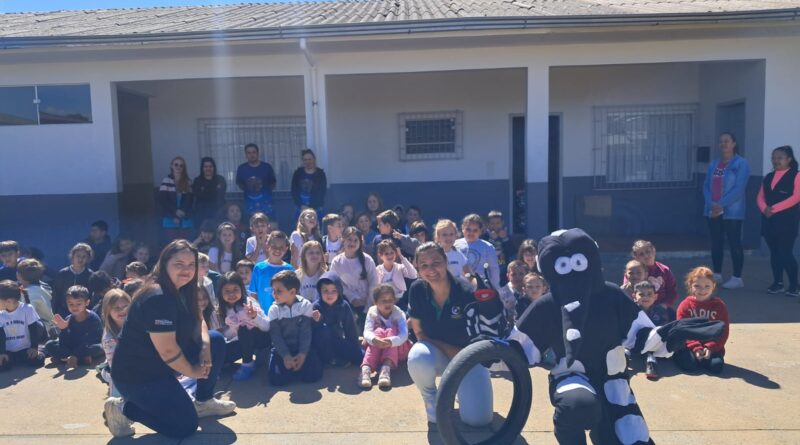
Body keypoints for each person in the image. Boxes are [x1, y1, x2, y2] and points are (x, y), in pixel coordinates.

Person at [105, 239, 235, 439]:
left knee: (215, 339)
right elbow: (168, 351)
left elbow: (199, 318)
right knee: (184, 427)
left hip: (162, 365)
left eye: (191, 264)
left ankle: (203, 401)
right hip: (138, 376)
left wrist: (205, 348)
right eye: (179, 264)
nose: (186, 270)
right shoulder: (158, 296)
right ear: (164, 263)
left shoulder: (187, 287)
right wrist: (193, 371)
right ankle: (124, 408)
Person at [406, 242, 493, 426]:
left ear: (445, 261)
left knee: (478, 420)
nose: (431, 269)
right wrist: (446, 348)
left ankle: (463, 392)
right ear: (418, 268)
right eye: (424, 265)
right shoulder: (417, 290)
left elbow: (479, 341)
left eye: (436, 262)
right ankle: (432, 398)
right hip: (440, 355)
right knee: (417, 357)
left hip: (469, 358)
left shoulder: (467, 291)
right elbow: (419, 332)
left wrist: (460, 356)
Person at [703, 132, 750, 289]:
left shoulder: (741, 163)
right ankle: (717, 275)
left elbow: (739, 188)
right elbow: (706, 185)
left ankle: (737, 278)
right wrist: (711, 204)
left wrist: (721, 204)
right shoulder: (714, 164)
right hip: (713, 210)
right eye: (721, 141)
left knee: (734, 243)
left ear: (734, 143)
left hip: (732, 211)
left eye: (727, 141)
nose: (723, 144)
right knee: (716, 243)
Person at [267, 270, 322, 386]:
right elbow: (276, 336)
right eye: (273, 290)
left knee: (313, 376)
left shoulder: (305, 305)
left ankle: (298, 367)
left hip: (300, 347)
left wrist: (302, 354)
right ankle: (291, 369)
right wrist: (285, 356)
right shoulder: (274, 309)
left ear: (292, 292)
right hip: (282, 350)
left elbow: (305, 333)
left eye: (279, 291)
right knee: (276, 380)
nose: (274, 294)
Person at [758, 145, 800, 297]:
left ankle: (795, 285)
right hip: (769, 222)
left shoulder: (796, 175)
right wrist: (764, 209)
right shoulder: (768, 177)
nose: (776, 160)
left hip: (787, 222)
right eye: (774, 158)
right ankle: (778, 283)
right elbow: (760, 197)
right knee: (775, 253)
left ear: (789, 159)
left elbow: (796, 197)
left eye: (780, 158)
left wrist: (773, 209)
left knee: (785, 253)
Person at [675, 267, 730, 374]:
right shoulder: (685, 305)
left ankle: (704, 360)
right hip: (689, 345)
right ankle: (680, 356)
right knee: (690, 365)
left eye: (707, 286)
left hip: (712, 346)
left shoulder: (719, 306)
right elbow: (681, 331)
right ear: (690, 285)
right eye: (697, 286)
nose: (702, 290)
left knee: (716, 367)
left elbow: (724, 331)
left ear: (713, 286)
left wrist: (710, 347)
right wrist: (695, 347)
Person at [217, 272, 271, 381]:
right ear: (220, 292)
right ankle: (248, 358)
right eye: (227, 291)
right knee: (223, 360)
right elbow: (229, 334)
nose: (231, 294)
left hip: (261, 339)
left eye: (235, 289)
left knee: (243, 328)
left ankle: (248, 364)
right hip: (241, 342)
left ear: (242, 289)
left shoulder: (250, 304)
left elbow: (267, 327)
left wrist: (255, 316)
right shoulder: (221, 309)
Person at [360, 284, 409, 389]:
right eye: (384, 301)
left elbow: (404, 334)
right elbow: (367, 330)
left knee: (392, 330)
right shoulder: (372, 312)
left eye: (390, 300)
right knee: (377, 331)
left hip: (395, 347)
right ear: (376, 302)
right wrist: (374, 339)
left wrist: (391, 341)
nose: (388, 303)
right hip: (376, 346)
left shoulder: (398, 313)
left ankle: (386, 368)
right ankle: (366, 369)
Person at [311, 272, 363, 367]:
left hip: (337, 339)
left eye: (334, 291)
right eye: (325, 291)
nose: (329, 294)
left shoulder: (343, 305)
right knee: (324, 330)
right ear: (320, 291)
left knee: (360, 356)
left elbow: (350, 328)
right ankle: (330, 360)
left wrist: (354, 347)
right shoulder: (315, 306)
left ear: (339, 291)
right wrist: (317, 320)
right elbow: (312, 331)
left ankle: (339, 357)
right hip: (321, 344)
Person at [45, 285, 103, 368]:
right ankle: (80, 359)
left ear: (87, 303)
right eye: (71, 304)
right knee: (49, 345)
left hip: (88, 346)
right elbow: (64, 343)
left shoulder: (93, 318)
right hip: (73, 346)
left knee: (99, 348)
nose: (74, 307)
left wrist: (75, 355)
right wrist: (64, 329)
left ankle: (65, 358)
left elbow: (90, 340)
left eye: (78, 304)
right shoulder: (68, 318)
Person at [330, 227, 378, 325]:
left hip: (368, 304)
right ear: (343, 240)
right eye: (349, 239)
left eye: (356, 240)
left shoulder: (367, 260)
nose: (352, 243)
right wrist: (352, 298)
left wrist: (367, 307)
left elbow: (374, 283)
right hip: (347, 304)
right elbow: (336, 284)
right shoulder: (337, 262)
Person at [0, 280, 46, 372]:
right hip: (9, 352)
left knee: (37, 362)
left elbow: (34, 330)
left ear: (9, 301)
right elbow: (1, 336)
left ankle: (41, 351)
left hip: (25, 349)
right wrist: (2, 353)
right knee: (3, 367)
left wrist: (34, 348)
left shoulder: (27, 309)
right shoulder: (1, 314)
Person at [626, 240, 678, 319]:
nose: (646, 255)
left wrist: (664, 305)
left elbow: (672, 291)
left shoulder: (664, 270)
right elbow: (627, 290)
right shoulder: (633, 271)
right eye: (641, 254)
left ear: (654, 251)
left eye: (648, 251)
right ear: (636, 257)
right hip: (639, 308)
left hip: (660, 308)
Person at [632, 281, 669, 381]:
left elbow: (664, 326)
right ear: (634, 296)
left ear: (655, 296)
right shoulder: (630, 309)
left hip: (652, 342)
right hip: (634, 341)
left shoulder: (660, 311)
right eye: (641, 294)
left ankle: (651, 360)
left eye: (649, 294)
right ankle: (625, 356)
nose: (645, 297)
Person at [248, 231, 294, 308]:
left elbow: (292, 295)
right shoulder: (259, 268)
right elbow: (253, 294)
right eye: (274, 246)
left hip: (283, 316)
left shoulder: (289, 269)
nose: (277, 250)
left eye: (281, 247)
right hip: (263, 316)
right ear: (267, 246)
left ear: (286, 249)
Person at [455, 214, 501, 289]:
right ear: (462, 228)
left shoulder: (487, 247)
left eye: (475, 230)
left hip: (479, 285)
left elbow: (493, 269)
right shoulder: (455, 245)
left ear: (480, 231)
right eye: (468, 229)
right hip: (458, 284)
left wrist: (496, 287)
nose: (471, 233)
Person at [101, 289, 131, 397]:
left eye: (125, 306)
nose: (122, 310)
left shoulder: (138, 325)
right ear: (107, 311)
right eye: (116, 308)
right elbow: (117, 368)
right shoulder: (109, 338)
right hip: (122, 377)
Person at [158, 156, 194, 243]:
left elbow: (190, 200)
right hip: (169, 218)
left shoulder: (188, 182)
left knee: (185, 245)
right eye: (176, 164)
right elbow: (163, 200)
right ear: (171, 166)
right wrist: (174, 213)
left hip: (185, 218)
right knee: (173, 246)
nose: (178, 167)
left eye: (181, 165)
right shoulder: (166, 181)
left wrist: (182, 213)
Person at [236, 143, 277, 219]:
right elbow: (240, 184)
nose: (252, 155)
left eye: (254, 152)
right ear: (246, 155)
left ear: (258, 153)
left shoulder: (267, 167)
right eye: (249, 153)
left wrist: (264, 193)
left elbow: (273, 183)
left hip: (266, 205)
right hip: (249, 205)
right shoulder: (242, 168)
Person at [53, 243, 94, 317]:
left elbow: (91, 296)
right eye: (78, 256)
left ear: (88, 259)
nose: (80, 259)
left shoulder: (90, 274)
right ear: (72, 256)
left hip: (83, 313)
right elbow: (56, 294)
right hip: (63, 311)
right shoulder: (63, 273)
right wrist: (55, 311)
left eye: (84, 257)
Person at [16, 259, 55, 336]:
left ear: (18, 275)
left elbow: (26, 316)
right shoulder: (43, 287)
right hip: (49, 327)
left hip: (42, 331)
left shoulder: (29, 293)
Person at [290, 149, 327, 217]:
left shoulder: (320, 174)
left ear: (314, 160)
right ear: (303, 161)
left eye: (310, 159)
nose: (307, 161)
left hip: (316, 208)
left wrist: (312, 208)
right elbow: (294, 191)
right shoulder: (297, 173)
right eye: (305, 160)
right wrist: (301, 205)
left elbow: (322, 192)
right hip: (300, 208)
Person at [482, 210, 516, 283]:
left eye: (498, 223)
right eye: (492, 223)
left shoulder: (509, 238)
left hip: (504, 274)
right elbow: (483, 253)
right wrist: (491, 240)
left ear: (502, 223)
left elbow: (513, 254)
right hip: (488, 273)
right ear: (488, 224)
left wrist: (505, 239)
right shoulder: (483, 238)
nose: (495, 226)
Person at [434, 219, 471, 284]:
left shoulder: (458, 252)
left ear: (455, 236)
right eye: (444, 235)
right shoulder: (434, 255)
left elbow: (467, 272)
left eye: (451, 234)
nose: (448, 237)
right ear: (438, 237)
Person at [193, 157, 227, 226]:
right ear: (202, 168)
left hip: (218, 213)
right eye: (206, 166)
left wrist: (205, 190)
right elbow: (199, 195)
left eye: (210, 166)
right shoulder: (197, 181)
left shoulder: (220, 179)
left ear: (214, 168)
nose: (208, 169)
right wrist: (214, 190)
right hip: (201, 215)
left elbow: (220, 195)